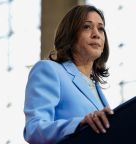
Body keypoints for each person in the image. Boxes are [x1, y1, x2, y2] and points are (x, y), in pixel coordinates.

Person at [23, 5, 114, 144]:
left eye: (101, 28)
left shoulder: (96, 87)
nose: (96, 34)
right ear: (70, 34)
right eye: (87, 27)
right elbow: (34, 129)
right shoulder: (49, 70)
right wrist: (78, 125)